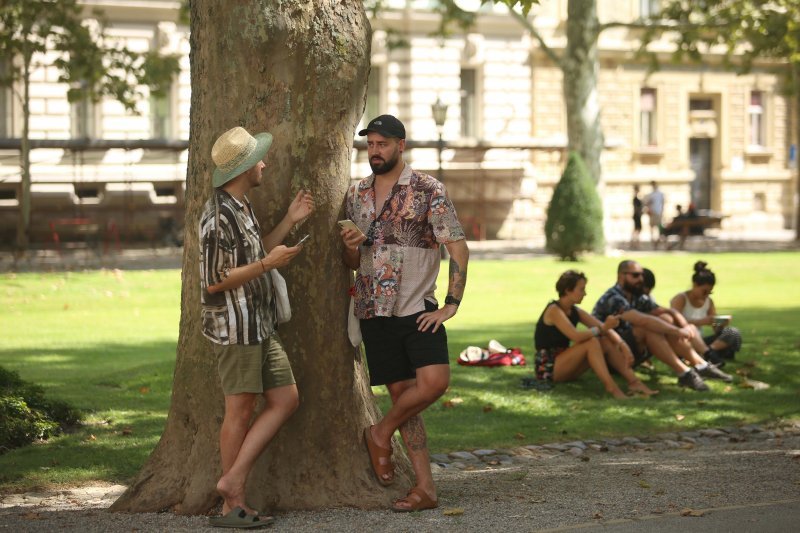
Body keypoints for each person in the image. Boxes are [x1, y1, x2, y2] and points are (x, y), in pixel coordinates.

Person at [340, 114, 469, 513]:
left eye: (382, 144)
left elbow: (458, 249)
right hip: (374, 310)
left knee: (434, 383)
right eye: (370, 145)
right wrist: (351, 244)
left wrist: (451, 304)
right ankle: (425, 488)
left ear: (401, 145)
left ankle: (379, 433)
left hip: (419, 309)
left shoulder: (429, 190)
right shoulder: (356, 194)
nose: (375, 151)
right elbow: (349, 259)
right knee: (403, 398)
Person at [199, 126, 315, 527]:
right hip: (236, 328)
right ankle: (233, 505)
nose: (264, 163)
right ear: (245, 166)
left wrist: (288, 222)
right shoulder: (216, 216)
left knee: (286, 399)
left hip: (261, 325)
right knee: (240, 411)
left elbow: (256, 250)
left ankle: (231, 481)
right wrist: (268, 265)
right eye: (259, 159)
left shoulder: (243, 205)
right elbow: (216, 279)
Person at [592, 260, 732, 392]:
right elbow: (641, 320)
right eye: (635, 275)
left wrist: (684, 326)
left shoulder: (636, 296)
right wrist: (679, 330)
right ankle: (687, 371)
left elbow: (666, 311)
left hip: (634, 350)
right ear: (621, 276)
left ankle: (701, 364)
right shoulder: (613, 298)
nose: (641, 279)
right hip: (610, 355)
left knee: (665, 319)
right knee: (649, 328)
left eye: (641, 275)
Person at [533, 270, 658, 398]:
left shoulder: (575, 311)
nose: (585, 294)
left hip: (565, 364)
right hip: (548, 368)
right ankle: (612, 388)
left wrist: (623, 345)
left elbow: (604, 328)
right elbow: (575, 336)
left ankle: (634, 382)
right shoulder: (554, 310)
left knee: (604, 341)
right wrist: (603, 328)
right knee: (592, 341)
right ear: (568, 290)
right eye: (581, 289)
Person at [670, 261, 742, 366]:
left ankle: (707, 353)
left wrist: (720, 323)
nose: (706, 295)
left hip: (701, 342)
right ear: (695, 285)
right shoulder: (680, 299)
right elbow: (673, 323)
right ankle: (708, 355)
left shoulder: (709, 302)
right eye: (704, 291)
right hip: (684, 340)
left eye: (709, 292)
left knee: (733, 333)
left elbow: (715, 328)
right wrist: (700, 322)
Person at [631, 185, 643, 249]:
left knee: (637, 229)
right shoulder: (635, 198)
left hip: (638, 215)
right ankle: (635, 243)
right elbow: (637, 208)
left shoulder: (636, 197)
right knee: (637, 229)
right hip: (637, 215)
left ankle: (635, 243)